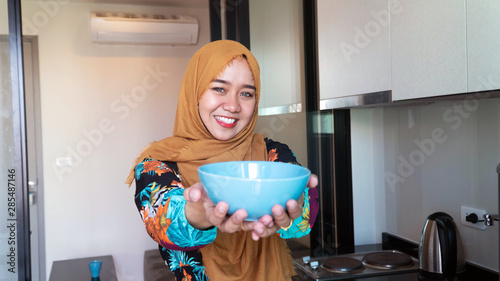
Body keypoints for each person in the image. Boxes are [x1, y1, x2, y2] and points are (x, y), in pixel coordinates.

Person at [127, 40, 318, 281]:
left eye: (246, 93)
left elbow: (301, 222)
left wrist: (296, 201)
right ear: (195, 92)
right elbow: (164, 224)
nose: (232, 106)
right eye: (219, 89)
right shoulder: (158, 163)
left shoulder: (271, 154)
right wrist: (203, 209)